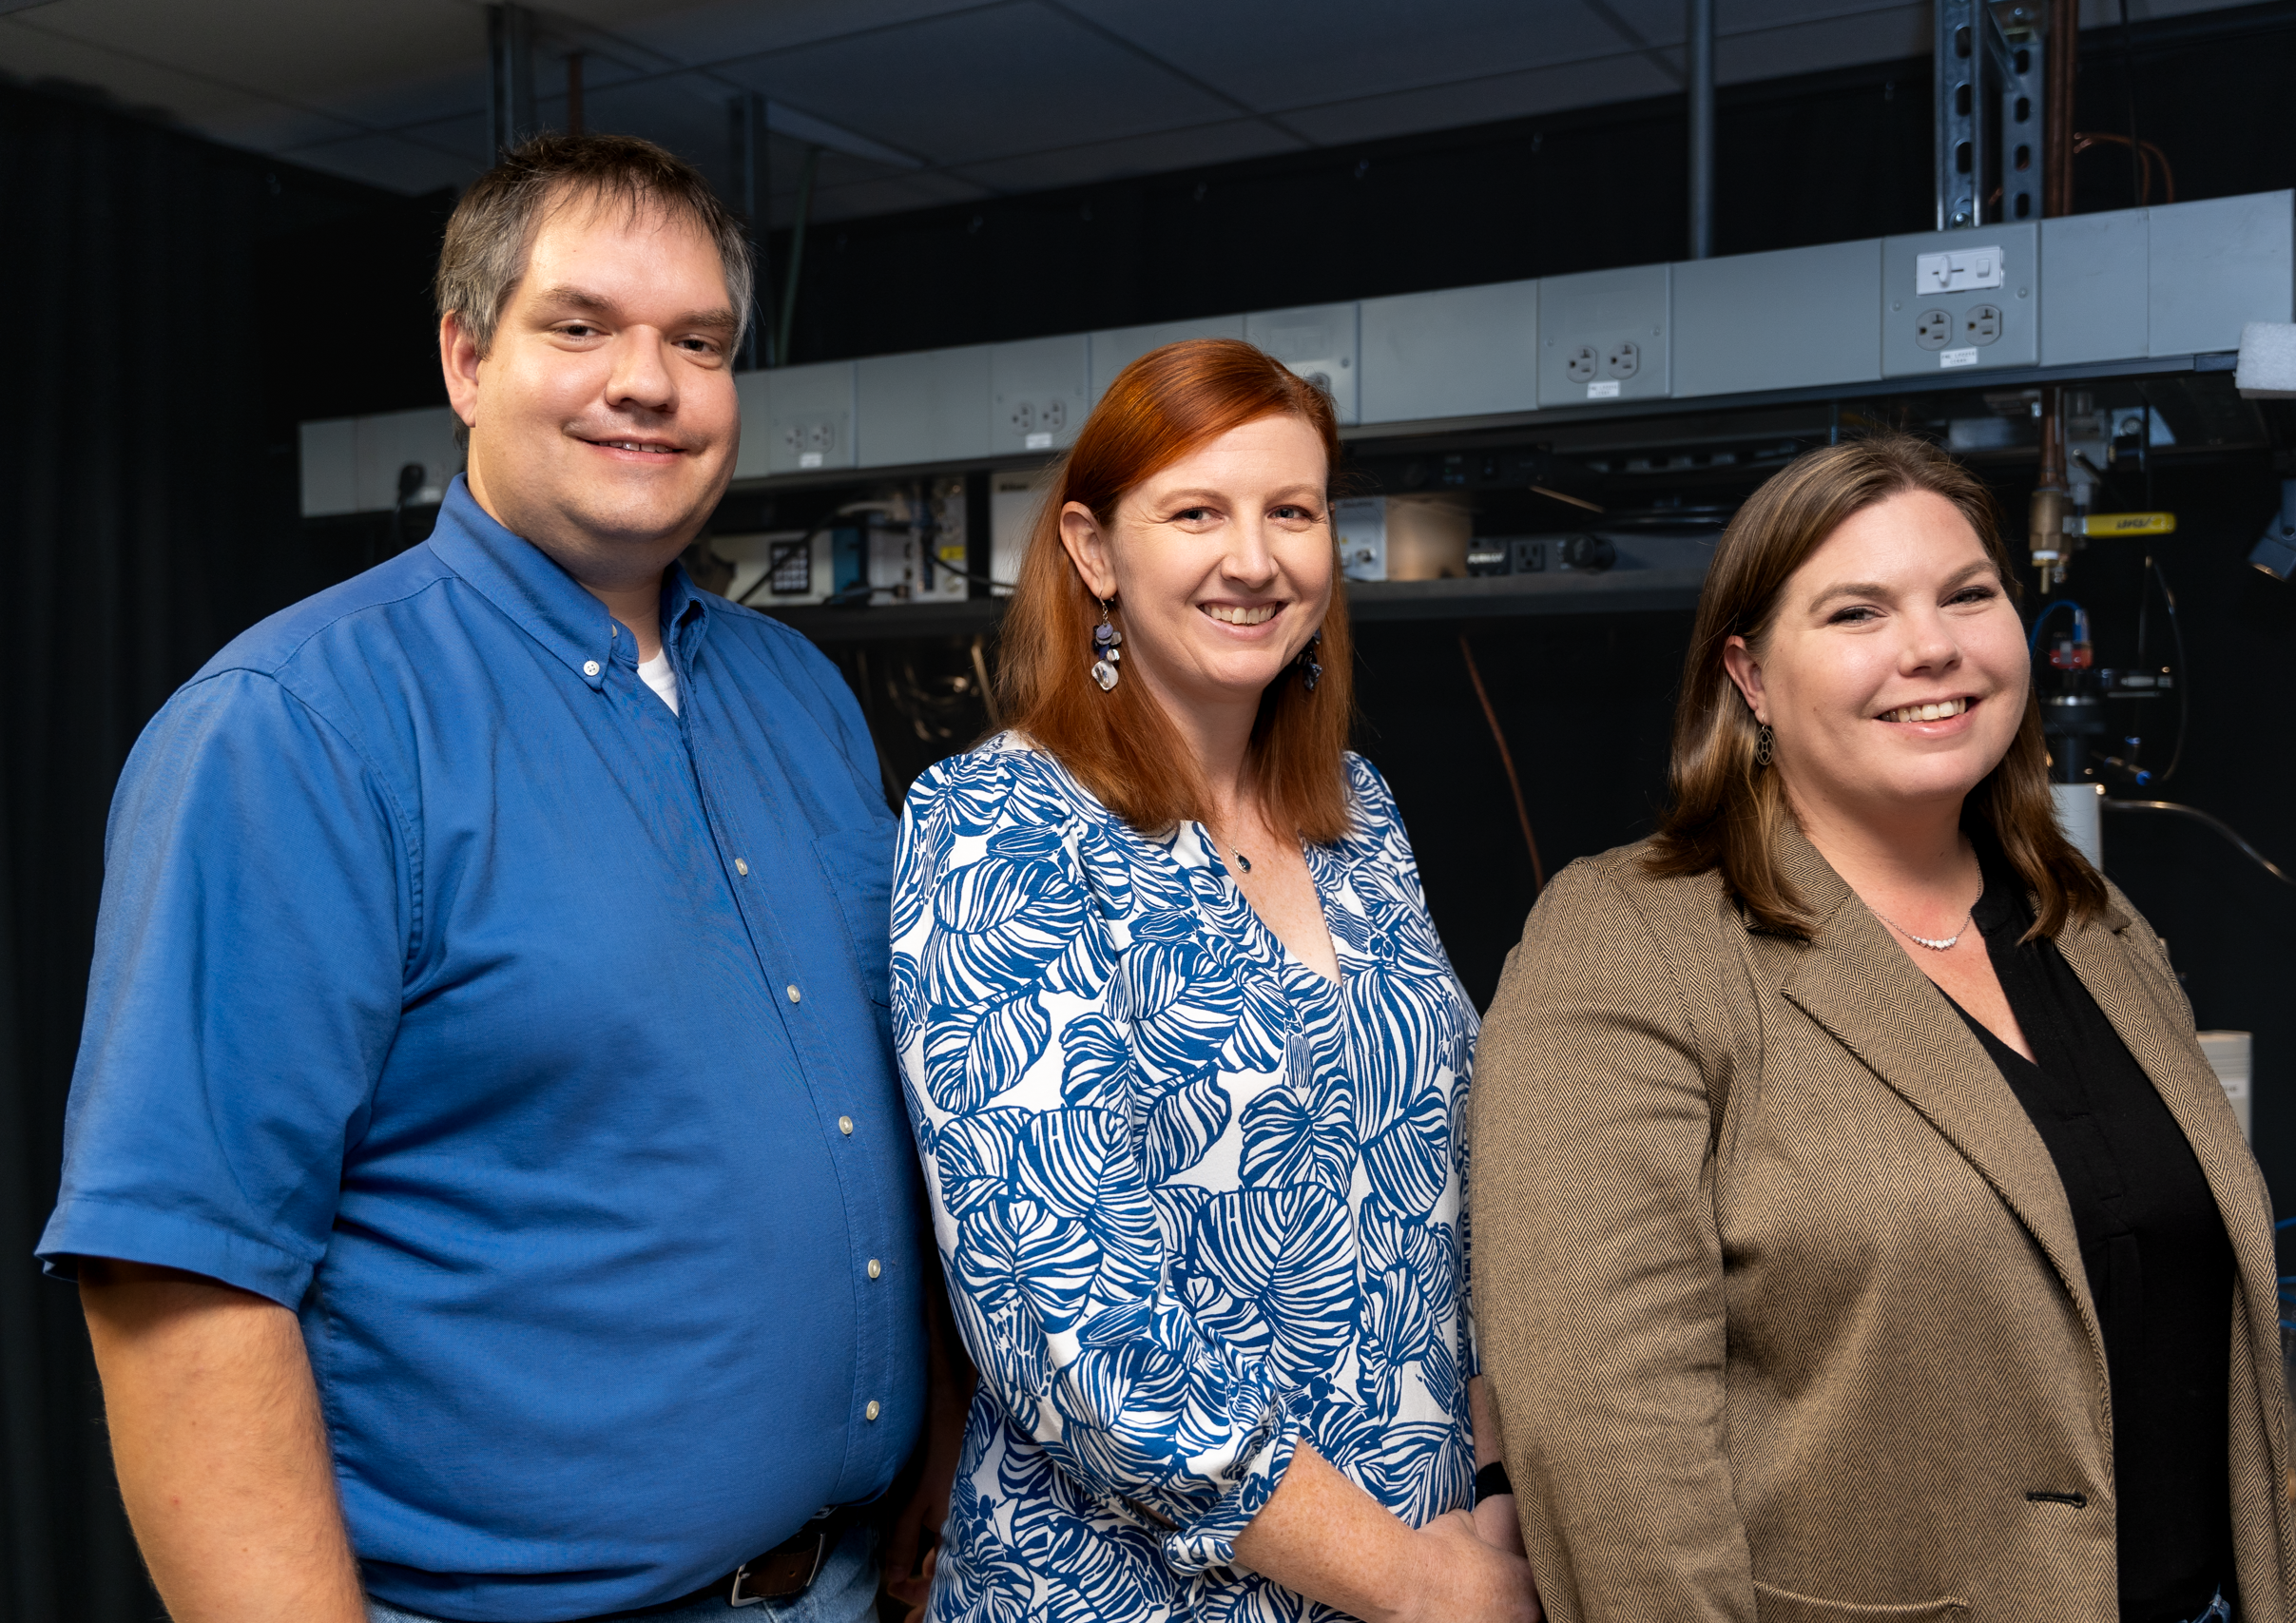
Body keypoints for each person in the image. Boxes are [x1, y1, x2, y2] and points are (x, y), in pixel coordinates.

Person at [39, 133, 957, 1623]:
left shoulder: (800, 698)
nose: (647, 381)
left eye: (698, 341)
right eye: (581, 325)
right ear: (467, 359)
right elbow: (179, 1288)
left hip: (845, 1580)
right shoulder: (298, 729)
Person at [1470, 435, 2296, 1623]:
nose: (1931, 646)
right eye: (1855, 612)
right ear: (1751, 676)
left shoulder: (2092, 924)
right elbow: (1603, 1433)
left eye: (1967, 595)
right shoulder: (1633, 940)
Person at [886, 338, 1539, 1623]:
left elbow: (1440, 1203)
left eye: (1291, 510)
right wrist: (1405, 1577)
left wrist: (1498, 1476)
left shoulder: (1360, 811)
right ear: (1092, 549)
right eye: (1197, 511)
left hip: (1441, 1555)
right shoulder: (998, 825)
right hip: (1137, 1595)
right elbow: (1075, 1333)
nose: (1255, 557)